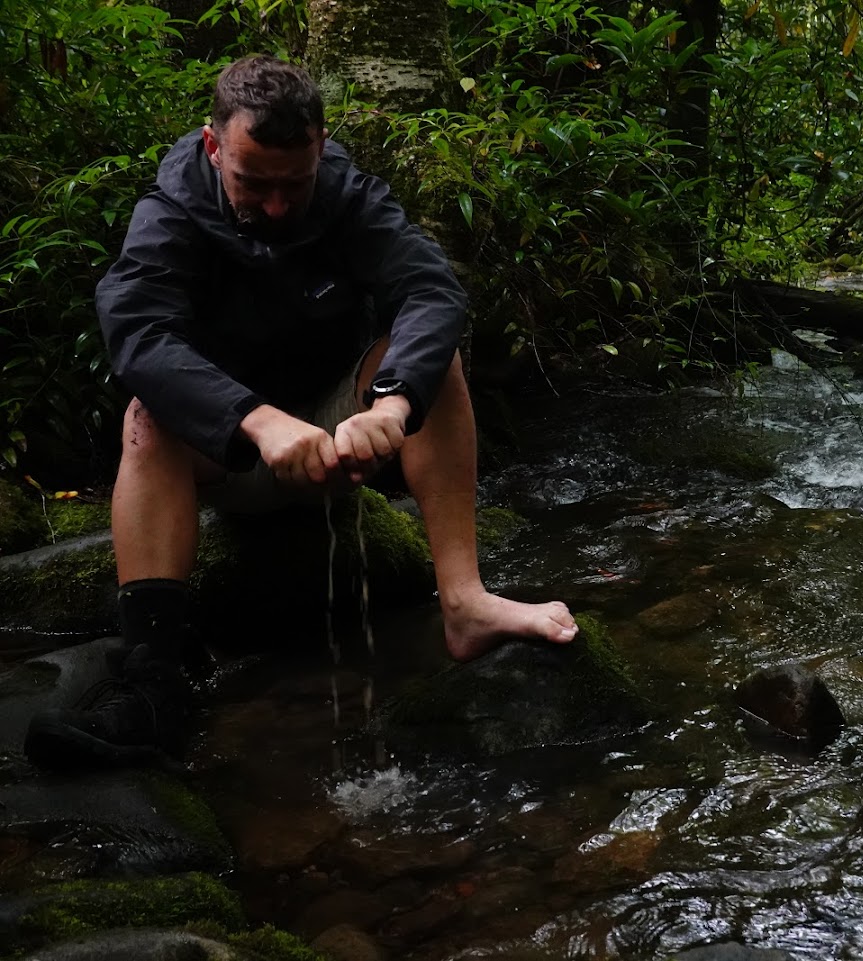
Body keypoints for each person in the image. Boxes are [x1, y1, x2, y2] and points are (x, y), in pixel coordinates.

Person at [23, 55, 577, 769]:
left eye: (296, 183)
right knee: (147, 413)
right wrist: (256, 419)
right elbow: (139, 335)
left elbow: (432, 292)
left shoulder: (348, 196)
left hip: (342, 436)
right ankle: (153, 680)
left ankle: (464, 603)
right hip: (230, 452)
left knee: (436, 359)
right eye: (254, 184)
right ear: (213, 145)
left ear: (320, 146)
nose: (278, 205)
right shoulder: (169, 213)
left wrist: (394, 400)